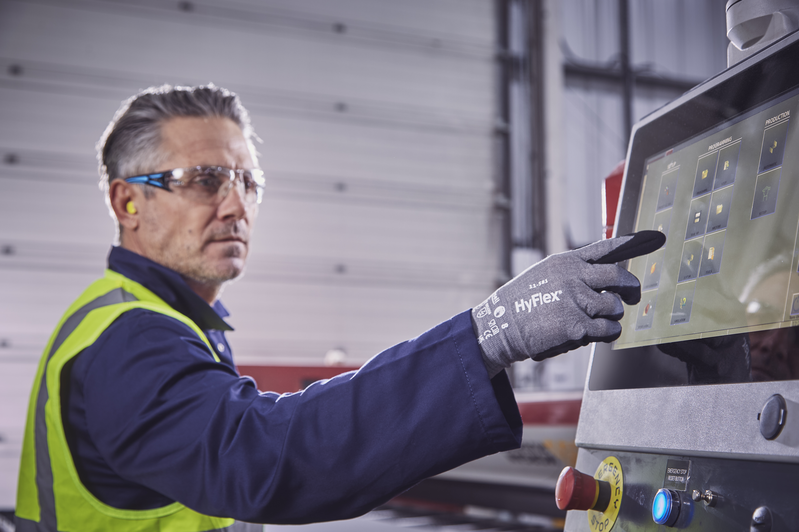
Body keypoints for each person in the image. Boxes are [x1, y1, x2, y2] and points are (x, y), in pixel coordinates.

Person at [14, 84, 663, 531]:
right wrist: (494, 332)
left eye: (247, 181)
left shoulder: (147, 318)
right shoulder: (128, 339)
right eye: (207, 179)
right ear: (128, 203)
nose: (236, 206)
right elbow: (261, 457)